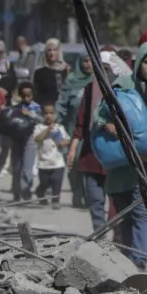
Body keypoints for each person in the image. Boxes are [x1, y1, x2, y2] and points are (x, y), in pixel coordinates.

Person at [99, 44, 147, 267]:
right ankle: (125, 260)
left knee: (142, 213)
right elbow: (100, 113)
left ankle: (138, 261)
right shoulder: (122, 85)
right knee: (124, 216)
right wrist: (106, 124)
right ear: (139, 61)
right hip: (122, 165)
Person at [71, 56, 111, 231]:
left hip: (116, 156)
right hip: (91, 154)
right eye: (101, 67)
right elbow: (81, 123)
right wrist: (73, 148)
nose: (105, 72)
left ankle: (119, 240)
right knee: (94, 198)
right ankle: (100, 235)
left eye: (108, 67)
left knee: (117, 202)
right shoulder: (89, 90)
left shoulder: (125, 92)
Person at [0, 80, 43, 202]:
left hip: (30, 140)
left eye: (29, 95)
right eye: (24, 95)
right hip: (17, 140)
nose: (26, 98)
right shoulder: (16, 108)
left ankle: (26, 192)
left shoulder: (36, 107)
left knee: (27, 168)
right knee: (16, 167)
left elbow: (42, 120)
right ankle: (16, 193)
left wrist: (30, 114)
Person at [59, 55, 95, 210]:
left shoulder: (99, 81)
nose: (88, 64)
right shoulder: (71, 81)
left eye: (91, 61)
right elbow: (61, 105)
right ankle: (76, 192)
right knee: (73, 164)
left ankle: (89, 196)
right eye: (85, 61)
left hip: (93, 131)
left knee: (89, 164)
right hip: (72, 130)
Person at [33, 105, 70, 207]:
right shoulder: (39, 127)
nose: (49, 116)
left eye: (51, 113)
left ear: (55, 115)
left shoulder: (60, 128)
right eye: (46, 113)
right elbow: (37, 139)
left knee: (56, 182)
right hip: (43, 162)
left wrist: (64, 142)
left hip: (57, 162)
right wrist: (47, 130)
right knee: (45, 182)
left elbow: (66, 139)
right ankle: (40, 192)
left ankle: (55, 201)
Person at [31, 38, 69, 108]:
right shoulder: (40, 73)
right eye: (49, 50)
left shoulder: (66, 70)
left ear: (59, 52)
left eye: (54, 50)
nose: (52, 53)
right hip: (47, 109)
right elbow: (37, 95)